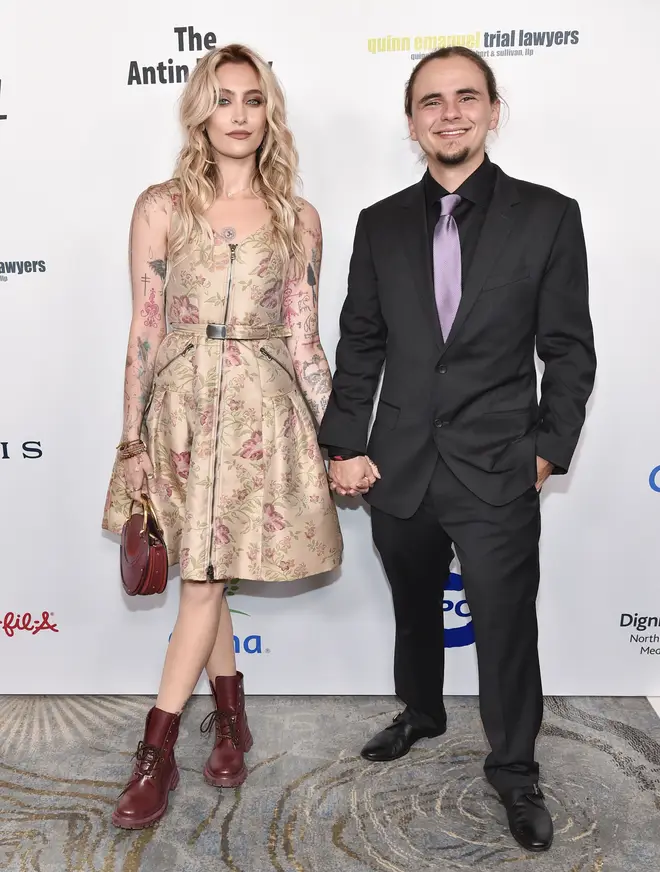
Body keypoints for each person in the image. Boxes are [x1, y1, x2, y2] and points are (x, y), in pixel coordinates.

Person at [319, 46, 596, 852]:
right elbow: (360, 343)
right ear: (412, 122)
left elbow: (569, 350)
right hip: (396, 465)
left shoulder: (548, 215)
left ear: (492, 110)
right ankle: (424, 712)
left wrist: (547, 450)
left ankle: (514, 770)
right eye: (431, 101)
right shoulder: (378, 224)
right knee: (414, 609)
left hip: (499, 464)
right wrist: (343, 444)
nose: (449, 112)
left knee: (506, 625)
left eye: (465, 97)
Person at [102, 43, 342, 829]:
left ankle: (157, 752)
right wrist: (131, 440)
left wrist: (336, 438)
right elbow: (142, 329)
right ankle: (228, 722)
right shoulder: (160, 206)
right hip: (176, 408)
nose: (239, 115)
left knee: (206, 579)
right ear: (200, 110)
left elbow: (306, 340)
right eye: (224, 99)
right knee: (201, 575)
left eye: (253, 100)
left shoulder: (296, 217)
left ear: (269, 112)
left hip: (260, 414)